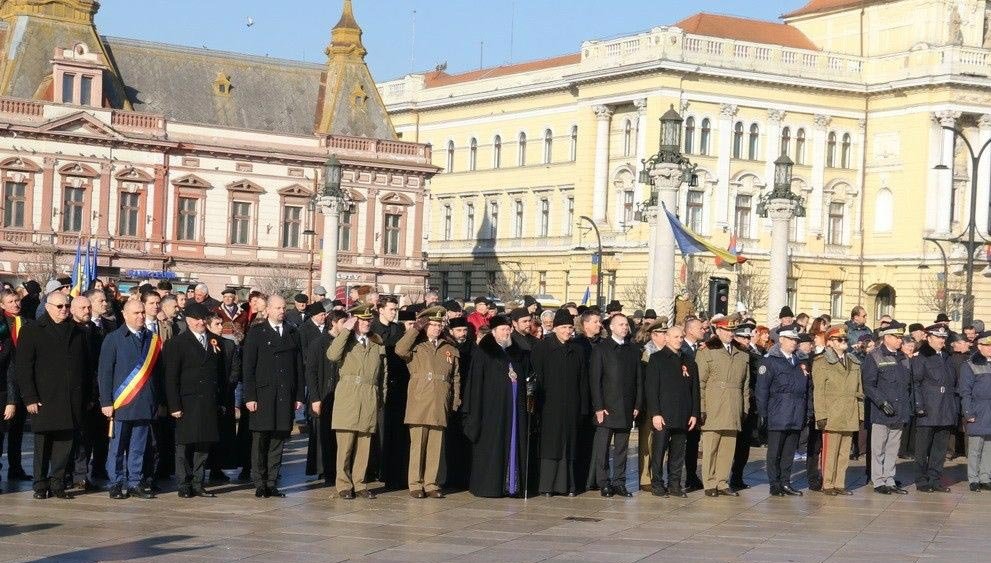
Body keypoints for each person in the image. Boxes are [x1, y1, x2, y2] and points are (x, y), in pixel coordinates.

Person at [17, 292, 94, 499]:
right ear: (48, 307)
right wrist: (30, 397)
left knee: (65, 443)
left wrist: (88, 395)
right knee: (43, 443)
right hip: (44, 398)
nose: (64, 310)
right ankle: (40, 484)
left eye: (67, 306)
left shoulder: (78, 331)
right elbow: (24, 367)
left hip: (71, 398)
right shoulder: (32, 330)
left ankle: (58, 483)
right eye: (59, 306)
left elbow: (87, 367)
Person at [97, 299, 163, 500]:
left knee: (138, 448)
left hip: (144, 402)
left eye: (142, 312)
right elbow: (105, 373)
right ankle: (116, 483)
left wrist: (157, 400)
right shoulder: (114, 338)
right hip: (121, 403)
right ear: (125, 315)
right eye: (136, 313)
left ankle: (135, 482)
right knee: (117, 448)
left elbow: (159, 373)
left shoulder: (152, 339)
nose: (141, 316)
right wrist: (106, 402)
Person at [241, 295, 304, 498]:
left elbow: (298, 366)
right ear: (267, 309)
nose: (282, 311)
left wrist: (299, 395)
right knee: (261, 440)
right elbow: (248, 367)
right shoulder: (257, 332)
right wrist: (250, 396)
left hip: (285, 393)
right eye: (277, 308)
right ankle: (260, 482)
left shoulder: (293, 332)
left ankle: (272, 482)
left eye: (284, 308)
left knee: (279, 438)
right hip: (263, 394)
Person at [395, 306, 460, 499]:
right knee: (418, 445)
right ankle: (415, 484)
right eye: (432, 325)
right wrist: (415, 329)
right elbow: (399, 349)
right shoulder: (416, 345)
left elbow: (456, 377)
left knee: (435, 446)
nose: (437, 328)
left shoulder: (449, 348)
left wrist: (455, 400)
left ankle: (431, 483)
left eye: (439, 325)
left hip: (440, 400)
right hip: (420, 400)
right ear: (425, 326)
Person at [463, 315, 530, 498]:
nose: (506, 332)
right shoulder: (484, 352)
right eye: (502, 329)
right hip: (491, 411)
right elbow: (476, 385)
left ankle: (511, 486)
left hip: (514, 410)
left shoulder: (516, 352)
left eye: (508, 329)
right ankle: (490, 486)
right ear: (493, 332)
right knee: (493, 446)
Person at [163, 303, 226, 498]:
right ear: (188, 321)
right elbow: (171, 377)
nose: (201, 322)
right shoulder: (177, 343)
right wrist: (174, 405)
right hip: (187, 401)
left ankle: (198, 482)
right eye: (197, 319)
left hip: (208, 400)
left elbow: (221, 374)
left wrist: (221, 400)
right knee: (184, 444)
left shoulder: (215, 341)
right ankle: (184, 483)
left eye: (203, 319)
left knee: (203, 443)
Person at [328, 304, 386, 499]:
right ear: (354, 321)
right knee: (345, 445)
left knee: (364, 444)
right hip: (349, 395)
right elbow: (332, 355)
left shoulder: (376, 343)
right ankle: (343, 485)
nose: (366, 323)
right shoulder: (345, 340)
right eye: (362, 320)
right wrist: (345, 330)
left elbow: (383, 374)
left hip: (369, 394)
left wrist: (381, 397)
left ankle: (360, 483)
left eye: (369, 320)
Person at [532, 308, 587, 497]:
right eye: (563, 327)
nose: (567, 331)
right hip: (549, 405)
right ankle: (547, 485)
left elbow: (582, 381)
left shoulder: (577, 350)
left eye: (570, 327)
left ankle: (567, 485)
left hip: (572, 405)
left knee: (569, 444)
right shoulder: (542, 348)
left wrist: (583, 407)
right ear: (555, 328)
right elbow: (538, 377)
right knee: (551, 444)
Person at [697, 316, 750, 497]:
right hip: (714, 404)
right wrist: (701, 407)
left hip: (734, 404)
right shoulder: (707, 351)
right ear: (718, 331)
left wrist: (745, 407)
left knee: (728, 447)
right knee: (711, 447)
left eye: (732, 330)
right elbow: (700, 383)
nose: (730, 334)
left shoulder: (741, 353)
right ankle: (710, 482)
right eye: (727, 330)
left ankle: (722, 481)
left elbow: (745, 385)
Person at [589, 314, 641, 497]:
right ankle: (603, 482)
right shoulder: (601, 349)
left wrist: (637, 404)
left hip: (626, 406)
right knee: (603, 448)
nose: (625, 327)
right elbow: (595, 380)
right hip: (606, 407)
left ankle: (619, 482)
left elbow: (638, 379)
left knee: (622, 448)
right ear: (611, 327)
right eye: (620, 324)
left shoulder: (632, 349)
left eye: (626, 324)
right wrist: (598, 407)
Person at [644, 323, 699, 498]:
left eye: (681, 337)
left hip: (683, 414)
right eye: (675, 337)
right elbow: (651, 389)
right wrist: (655, 413)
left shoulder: (688, 360)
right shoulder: (657, 359)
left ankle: (675, 484)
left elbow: (695, 390)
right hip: (663, 414)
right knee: (659, 451)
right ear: (666, 338)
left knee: (678, 453)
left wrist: (694, 413)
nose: (679, 340)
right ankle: (657, 484)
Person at [757, 329, 811, 497]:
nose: (794, 342)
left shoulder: (800, 361)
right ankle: (775, 484)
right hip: (778, 410)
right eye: (790, 339)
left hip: (796, 410)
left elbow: (807, 389)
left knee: (789, 452)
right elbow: (762, 389)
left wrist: (807, 411)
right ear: (781, 340)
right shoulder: (770, 361)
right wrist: (762, 413)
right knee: (775, 452)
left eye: (796, 340)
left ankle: (786, 482)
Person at [861, 321, 911, 495]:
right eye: (897, 337)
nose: (900, 340)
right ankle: (878, 480)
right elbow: (868, 385)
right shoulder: (874, 356)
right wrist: (881, 402)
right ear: (887, 337)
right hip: (882, 411)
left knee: (892, 449)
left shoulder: (903, 357)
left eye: (901, 337)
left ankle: (889, 479)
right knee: (878, 448)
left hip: (899, 410)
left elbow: (907, 385)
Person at [812, 324, 863, 496]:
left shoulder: (854, 361)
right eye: (839, 339)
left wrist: (860, 413)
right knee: (830, 452)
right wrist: (821, 415)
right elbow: (818, 391)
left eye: (845, 339)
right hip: (832, 413)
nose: (844, 342)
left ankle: (839, 483)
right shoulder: (821, 362)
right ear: (830, 342)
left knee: (844, 452)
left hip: (849, 412)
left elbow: (859, 391)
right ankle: (827, 484)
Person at [910, 324, 958, 493]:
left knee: (940, 448)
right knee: (922, 448)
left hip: (945, 407)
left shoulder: (947, 356)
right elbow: (916, 383)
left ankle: (935, 479)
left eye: (944, 337)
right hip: (928, 408)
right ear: (929, 338)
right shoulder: (922, 357)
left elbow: (952, 382)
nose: (942, 340)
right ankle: (921, 480)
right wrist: (919, 405)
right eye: (938, 337)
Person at [305, 310, 347, 483]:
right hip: (323, 394)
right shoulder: (318, 343)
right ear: (334, 323)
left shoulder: (346, 342)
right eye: (343, 322)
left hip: (340, 395)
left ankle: (338, 469)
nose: (346, 326)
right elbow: (311, 372)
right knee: (323, 434)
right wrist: (315, 398)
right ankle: (324, 470)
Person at [205, 313, 239, 483]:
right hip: (208, 396)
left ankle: (217, 468)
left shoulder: (229, 344)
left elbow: (235, 370)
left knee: (223, 434)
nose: (220, 327)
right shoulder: (204, 343)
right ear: (208, 326)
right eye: (216, 324)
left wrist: (228, 387)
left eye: (221, 323)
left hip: (226, 395)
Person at [1, 290, 30, 483]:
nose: (15, 304)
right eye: (10, 301)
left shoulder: (26, 322)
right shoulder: (2, 324)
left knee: (17, 430)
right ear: (2, 305)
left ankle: (16, 468)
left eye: (17, 300)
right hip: (4, 382)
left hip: (22, 380)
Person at [730, 322, 761, 491]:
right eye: (743, 337)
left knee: (743, 446)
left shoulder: (753, 355)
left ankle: (737, 477)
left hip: (750, 405)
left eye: (748, 337)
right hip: (733, 403)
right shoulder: (730, 353)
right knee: (729, 444)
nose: (747, 341)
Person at [958, 330, 991, 492]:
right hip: (978, 409)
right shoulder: (970, 364)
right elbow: (965, 391)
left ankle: (985, 477)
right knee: (975, 448)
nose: (990, 348)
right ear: (979, 346)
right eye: (987, 345)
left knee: (989, 448)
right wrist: (968, 412)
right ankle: (973, 478)